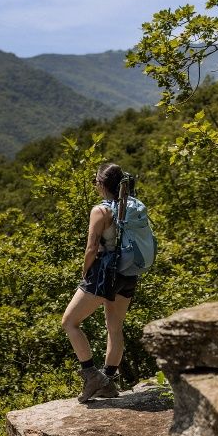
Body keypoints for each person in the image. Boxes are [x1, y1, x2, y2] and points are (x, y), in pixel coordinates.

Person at [61, 162, 139, 403]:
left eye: (95, 181)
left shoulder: (101, 211)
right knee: (114, 327)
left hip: (105, 273)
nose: (95, 185)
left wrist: (85, 271)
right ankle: (108, 381)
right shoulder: (131, 205)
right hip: (128, 272)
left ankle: (92, 375)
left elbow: (92, 247)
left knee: (69, 322)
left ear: (103, 184)